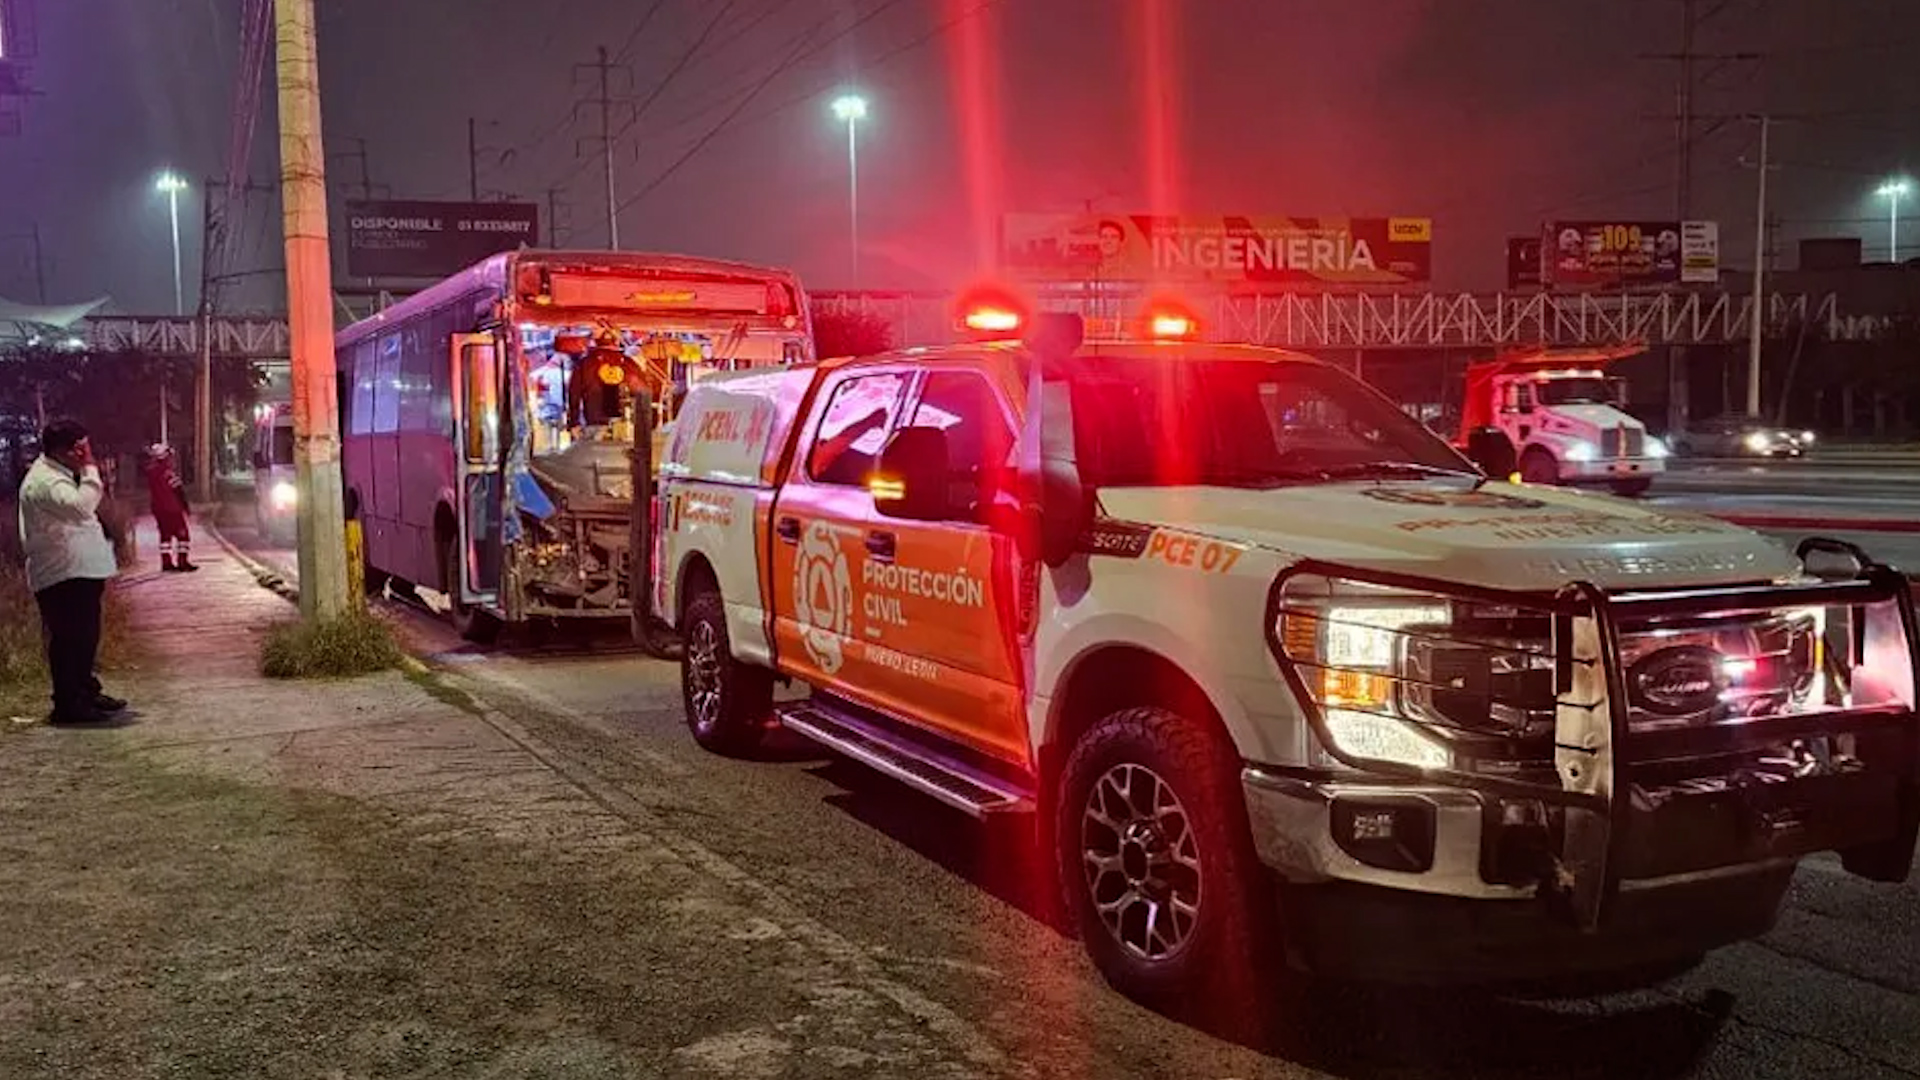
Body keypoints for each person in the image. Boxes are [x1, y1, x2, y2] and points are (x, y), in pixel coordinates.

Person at [18, 418, 126, 726]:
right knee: (69, 639)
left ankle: (84, 691)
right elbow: (81, 507)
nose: (85, 453)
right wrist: (91, 468)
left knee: (85, 636)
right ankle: (68, 704)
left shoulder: (61, 473)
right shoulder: (46, 482)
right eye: (81, 448)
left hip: (78, 569)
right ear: (64, 451)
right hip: (62, 573)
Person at [143, 444, 197, 572]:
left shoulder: (151, 473)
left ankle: (166, 563)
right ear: (165, 457)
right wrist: (186, 507)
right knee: (183, 536)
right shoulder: (168, 473)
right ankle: (182, 562)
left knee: (165, 536)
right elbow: (179, 491)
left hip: (158, 509)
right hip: (173, 508)